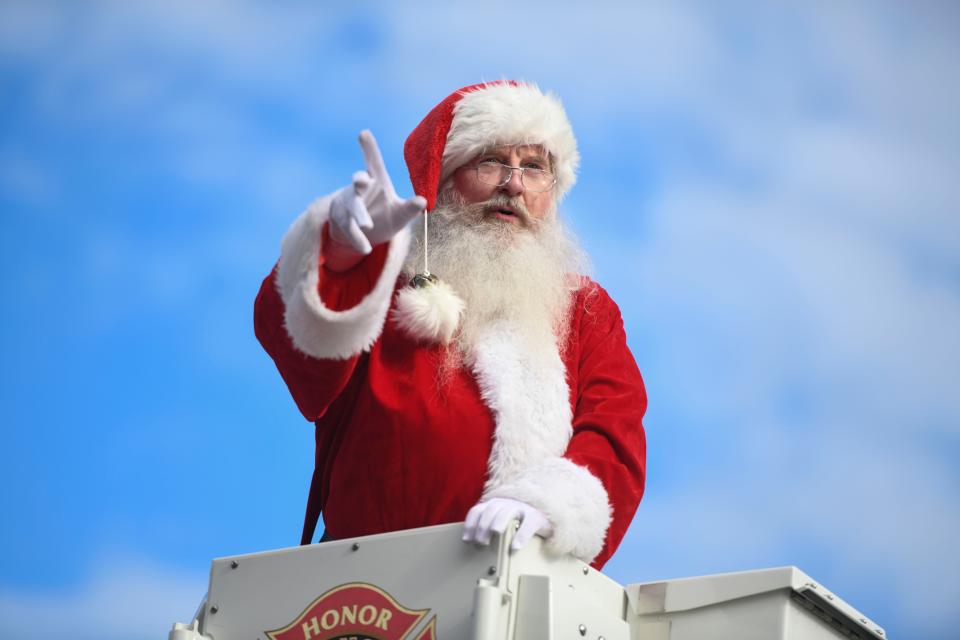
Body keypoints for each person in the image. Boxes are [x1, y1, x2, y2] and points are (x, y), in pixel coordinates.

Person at [254, 81, 646, 569]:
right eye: (490, 162)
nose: (514, 184)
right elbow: (295, 345)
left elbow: (615, 433)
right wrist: (336, 253)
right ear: (442, 180)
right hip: (365, 591)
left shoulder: (585, 310)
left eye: (534, 168)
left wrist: (545, 505)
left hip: (519, 586)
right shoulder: (383, 282)